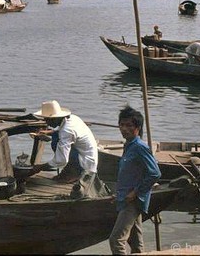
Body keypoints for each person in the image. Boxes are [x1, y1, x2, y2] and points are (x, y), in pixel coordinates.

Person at [109, 106, 161, 255]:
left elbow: (155, 173)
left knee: (116, 240)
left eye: (129, 125)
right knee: (136, 243)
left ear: (137, 128)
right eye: (122, 124)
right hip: (125, 198)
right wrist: (118, 194)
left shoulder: (139, 147)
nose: (124, 129)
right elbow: (130, 175)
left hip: (133, 201)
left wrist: (136, 192)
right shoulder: (128, 145)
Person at [29, 100, 98, 185]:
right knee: (56, 136)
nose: (46, 123)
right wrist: (49, 132)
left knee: (56, 142)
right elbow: (61, 131)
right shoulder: (72, 118)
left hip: (85, 164)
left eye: (47, 120)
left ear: (54, 118)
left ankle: (75, 173)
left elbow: (61, 160)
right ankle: (70, 170)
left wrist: (40, 167)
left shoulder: (67, 131)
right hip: (86, 156)